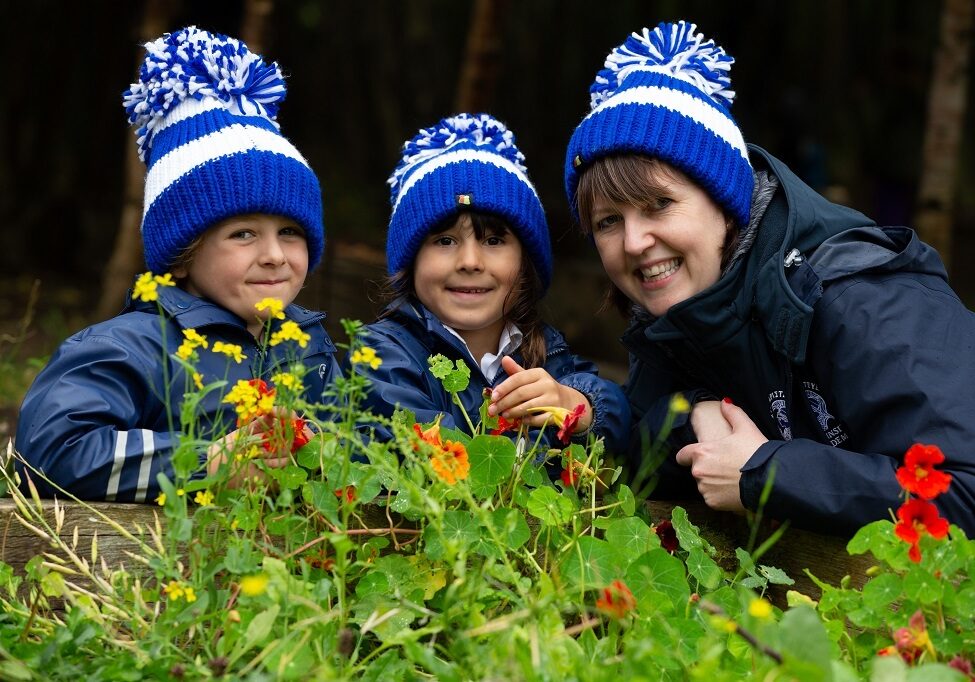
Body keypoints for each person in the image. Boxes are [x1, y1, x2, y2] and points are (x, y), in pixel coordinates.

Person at [564, 21, 975, 536]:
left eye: (659, 205)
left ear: (726, 203)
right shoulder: (672, 321)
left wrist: (765, 473)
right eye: (608, 222)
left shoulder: (860, 297)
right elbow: (650, 466)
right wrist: (695, 414)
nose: (633, 242)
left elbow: (964, 489)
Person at [16, 26, 339, 502]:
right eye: (243, 234)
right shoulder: (131, 348)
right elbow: (48, 450)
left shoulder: (311, 346)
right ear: (183, 255)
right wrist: (202, 462)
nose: (273, 254)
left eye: (290, 232)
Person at [351, 113, 629, 456]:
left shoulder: (545, 352)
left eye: (494, 241)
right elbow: (428, 453)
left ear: (525, 264)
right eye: (445, 241)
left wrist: (577, 405)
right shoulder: (383, 354)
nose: (470, 261)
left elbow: (623, 425)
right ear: (411, 261)